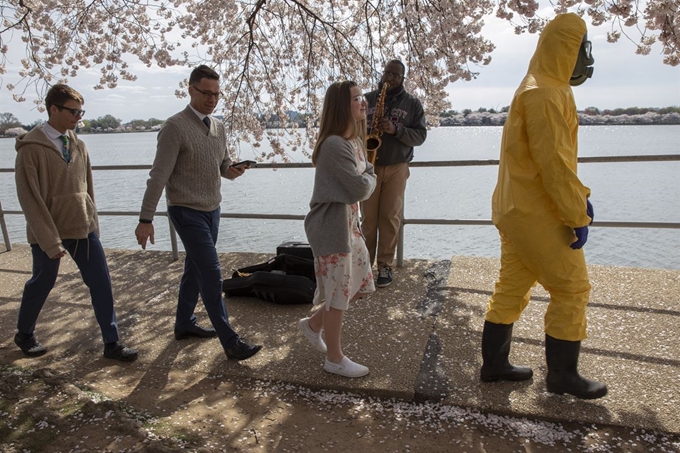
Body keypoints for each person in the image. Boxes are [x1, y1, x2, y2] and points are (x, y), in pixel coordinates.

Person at [480, 13, 607, 399]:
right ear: (566, 50)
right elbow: (555, 166)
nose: (586, 58)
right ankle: (563, 375)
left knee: (512, 286)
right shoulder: (548, 93)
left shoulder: (535, 86)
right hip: (536, 211)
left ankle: (495, 366)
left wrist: (576, 201)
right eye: (582, 48)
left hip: (513, 208)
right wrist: (577, 213)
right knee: (571, 288)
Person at [135, 65, 261, 361]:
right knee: (210, 271)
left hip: (212, 209)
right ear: (190, 90)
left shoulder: (218, 127)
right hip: (184, 210)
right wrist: (145, 219)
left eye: (217, 94)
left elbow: (223, 167)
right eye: (206, 93)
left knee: (194, 267)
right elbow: (158, 176)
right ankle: (231, 342)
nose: (212, 99)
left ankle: (183, 324)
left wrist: (234, 171)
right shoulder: (174, 127)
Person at [14, 84, 138, 361]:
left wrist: (93, 223)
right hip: (49, 233)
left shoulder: (79, 144)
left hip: (83, 229)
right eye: (73, 111)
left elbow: (87, 188)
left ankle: (112, 343)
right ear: (53, 109)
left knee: (102, 283)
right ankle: (24, 334)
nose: (78, 117)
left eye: (81, 111)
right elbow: (29, 200)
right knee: (41, 284)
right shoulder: (30, 150)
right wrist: (50, 241)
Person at [298, 81, 377, 378]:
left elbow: (365, 177)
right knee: (338, 294)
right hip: (332, 229)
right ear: (340, 105)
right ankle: (334, 358)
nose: (363, 103)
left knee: (359, 284)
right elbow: (361, 185)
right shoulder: (333, 145)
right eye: (356, 98)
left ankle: (314, 324)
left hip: (349, 226)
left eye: (362, 98)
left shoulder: (354, 142)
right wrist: (370, 179)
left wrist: (367, 178)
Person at [361, 60, 427, 288]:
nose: (389, 78)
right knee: (368, 219)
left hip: (397, 166)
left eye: (395, 75)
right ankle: (364, 265)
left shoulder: (412, 104)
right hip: (368, 166)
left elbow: (420, 137)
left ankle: (385, 266)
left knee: (390, 218)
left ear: (402, 78)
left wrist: (395, 129)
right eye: (386, 73)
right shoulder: (367, 99)